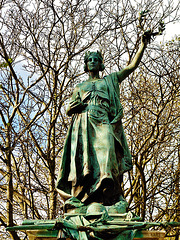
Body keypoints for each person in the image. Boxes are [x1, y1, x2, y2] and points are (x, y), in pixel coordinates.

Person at [56, 35, 148, 206]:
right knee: (85, 161)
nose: (92, 61)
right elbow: (69, 109)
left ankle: (110, 191)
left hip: (103, 120)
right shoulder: (80, 87)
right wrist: (78, 105)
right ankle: (85, 195)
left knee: (108, 153)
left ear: (101, 64)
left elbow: (132, 66)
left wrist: (142, 45)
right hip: (84, 123)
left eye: (96, 59)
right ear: (86, 64)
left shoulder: (109, 80)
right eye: (89, 59)